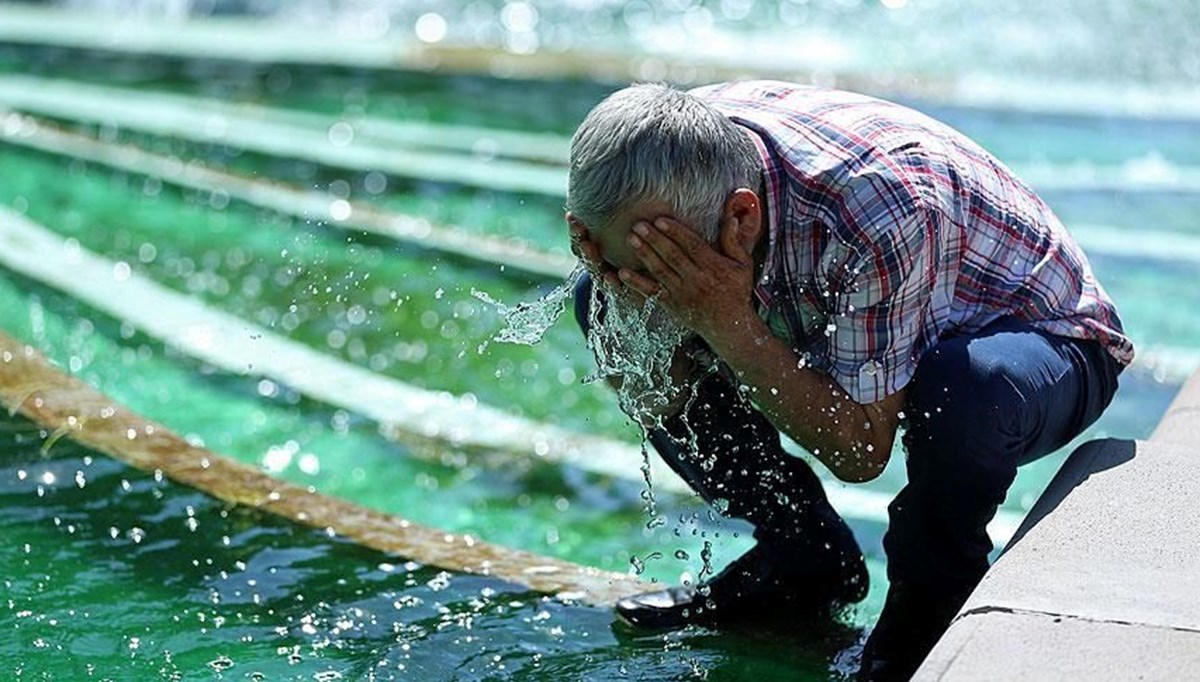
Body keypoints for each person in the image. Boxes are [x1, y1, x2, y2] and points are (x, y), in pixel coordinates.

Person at [565, 81, 1131, 680]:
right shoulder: (647, 156)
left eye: (665, 266)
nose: (643, 280)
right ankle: (804, 557)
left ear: (740, 216)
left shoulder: (881, 206)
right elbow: (667, 389)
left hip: (1047, 342)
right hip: (851, 300)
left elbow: (861, 451)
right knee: (602, 306)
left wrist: (725, 322)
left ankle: (926, 617)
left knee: (962, 388)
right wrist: (631, 304)